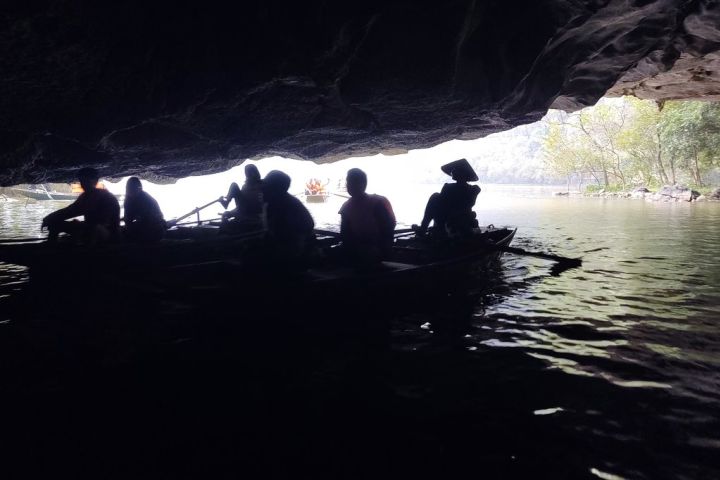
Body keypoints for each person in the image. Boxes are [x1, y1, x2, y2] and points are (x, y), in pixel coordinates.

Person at [41, 167, 120, 244]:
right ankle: (51, 247)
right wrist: (50, 218)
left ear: (95, 181)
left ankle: (90, 253)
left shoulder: (104, 196)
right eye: (81, 180)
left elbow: (73, 211)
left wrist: (51, 218)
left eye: (86, 180)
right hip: (91, 228)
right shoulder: (85, 196)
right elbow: (70, 210)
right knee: (55, 223)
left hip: (108, 233)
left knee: (94, 228)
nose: (83, 184)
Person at [338, 168, 396, 264]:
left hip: (377, 249)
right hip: (357, 248)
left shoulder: (377, 203)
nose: (349, 186)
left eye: (353, 183)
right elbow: (345, 234)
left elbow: (388, 230)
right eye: (348, 183)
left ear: (363, 184)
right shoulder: (346, 207)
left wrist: (377, 247)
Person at [415, 158, 481, 237]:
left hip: (454, 218)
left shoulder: (450, 188)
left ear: (462, 173)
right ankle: (427, 228)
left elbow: (443, 205)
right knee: (435, 197)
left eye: (456, 170)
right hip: (452, 218)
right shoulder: (473, 189)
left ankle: (423, 228)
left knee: (435, 196)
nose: (453, 172)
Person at [262, 170, 315, 264]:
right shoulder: (281, 202)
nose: (261, 188)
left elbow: (282, 238)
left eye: (265, 186)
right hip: (294, 248)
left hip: (294, 253)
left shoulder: (284, 206)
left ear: (274, 190)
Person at [219, 164, 264, 229]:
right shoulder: (244, 186)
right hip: (244, 209)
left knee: (234, 186)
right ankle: (226, 202)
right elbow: (241, 204)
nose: (249, 174)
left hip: (253, 210)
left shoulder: (262, 184)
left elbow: (261, 201)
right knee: (234, 185)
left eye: (251, 172)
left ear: (256, 172)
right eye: (247, 173)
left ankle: (226, 203)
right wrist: (230, 213)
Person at [123, 177, 166, 242]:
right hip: (143, 224)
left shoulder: (146, 200)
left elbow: (149, 219)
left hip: (155, 227)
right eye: (129, 189)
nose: (131, 192)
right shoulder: (128, 200)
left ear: (140, 189)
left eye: (134, 189)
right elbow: (128, 219)